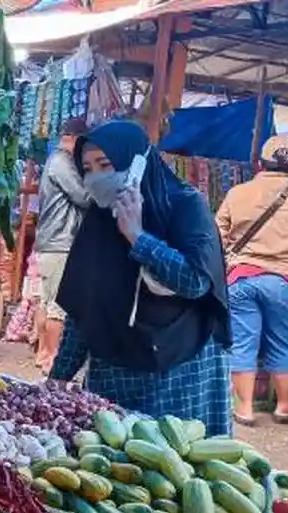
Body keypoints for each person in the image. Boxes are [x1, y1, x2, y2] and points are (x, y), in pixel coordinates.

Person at [49, 120, 232, 436]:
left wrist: (137, 236)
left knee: (176, 463)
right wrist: (58, 378)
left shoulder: (185, 205)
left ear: (137, 162)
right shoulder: (98, 221)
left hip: (180, 366)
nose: (96, 177)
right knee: (115, 467)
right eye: (88, 169)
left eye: (105, 165)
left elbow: (194, 282)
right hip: (115, 366)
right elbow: (83, 307)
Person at [216, 135, 288, 427]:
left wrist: (226, 266)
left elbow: (216, 237)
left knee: (243, 343)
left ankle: (244, 408)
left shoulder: (239, 192)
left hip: (242, 277)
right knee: (282, 344)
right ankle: (284, 406)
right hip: (287, 280)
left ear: (260, 163)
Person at [32, 117, 91, 371]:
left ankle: (42, 353)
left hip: (50, 242)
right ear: (75, 139)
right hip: (60, 242)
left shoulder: (54, 162)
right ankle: (51, 358)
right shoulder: (61, 162)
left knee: (46, 302)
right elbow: (84, 197)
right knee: (58, 306)